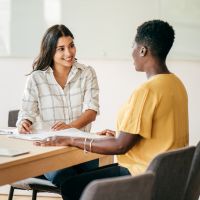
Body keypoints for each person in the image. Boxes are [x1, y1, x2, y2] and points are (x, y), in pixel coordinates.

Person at [35, 20, 189, 200]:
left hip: (141, 176)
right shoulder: (176, 84)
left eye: (134, 45)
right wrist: (119, 134)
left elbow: (120, 146)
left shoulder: (147, 91)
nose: (131, 51)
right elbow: (158, 135)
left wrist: (70, 138)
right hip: (168, 177)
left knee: (71, 186)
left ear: (142, 50)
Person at [17, 24, 100, 186]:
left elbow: (91, 111)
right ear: (50, 51)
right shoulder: (36, 79)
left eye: (71, 46)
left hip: (81, 149)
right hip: (49, 152)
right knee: (69, 180)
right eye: (61, 49)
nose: (68, 53)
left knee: (97, 178)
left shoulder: (87, 73)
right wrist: (24, 122)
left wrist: (68, 128)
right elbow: (26, 113)